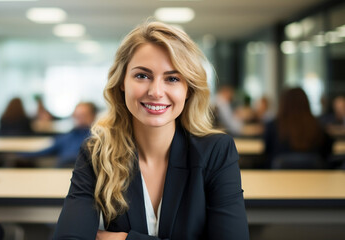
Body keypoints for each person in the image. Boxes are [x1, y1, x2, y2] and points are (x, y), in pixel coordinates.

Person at [54, 21, 249, 239]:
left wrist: (125, 239)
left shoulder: (216, 151)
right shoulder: (98, 150)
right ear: (122, 82)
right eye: (142, 75)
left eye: (172, 78)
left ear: (188, 89)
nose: (156, 91)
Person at [263, 88, 333, 169]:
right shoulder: (318, 126)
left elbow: (267, 151)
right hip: (314, 178)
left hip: (278, 179)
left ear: (283, 104)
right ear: (306, 103)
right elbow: (327, 152)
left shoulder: (273, 126)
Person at [20, 102, 97, 168]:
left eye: (83, 115)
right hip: (61, 172)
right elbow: (43, 152)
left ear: (93, 116)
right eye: (77, 116)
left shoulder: (97, 139)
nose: (79, 119)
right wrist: (18, 154)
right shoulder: (67, 137)